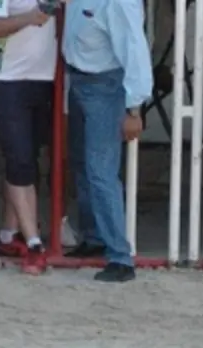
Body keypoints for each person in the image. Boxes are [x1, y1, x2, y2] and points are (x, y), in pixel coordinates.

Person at [59, 0, 153, 283]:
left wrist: (134, 108)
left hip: (105, 86)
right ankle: (96, 236)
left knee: (100, 171)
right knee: (83, 164)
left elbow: (135, 50)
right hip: (82, 80)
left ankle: (120, 256)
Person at [0, 0, 58, 275]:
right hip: (6, 80)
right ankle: (34, 244)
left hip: (43, 78)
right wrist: (29, 18)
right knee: (19, 159)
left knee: (28, 159)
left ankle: (9, 235)